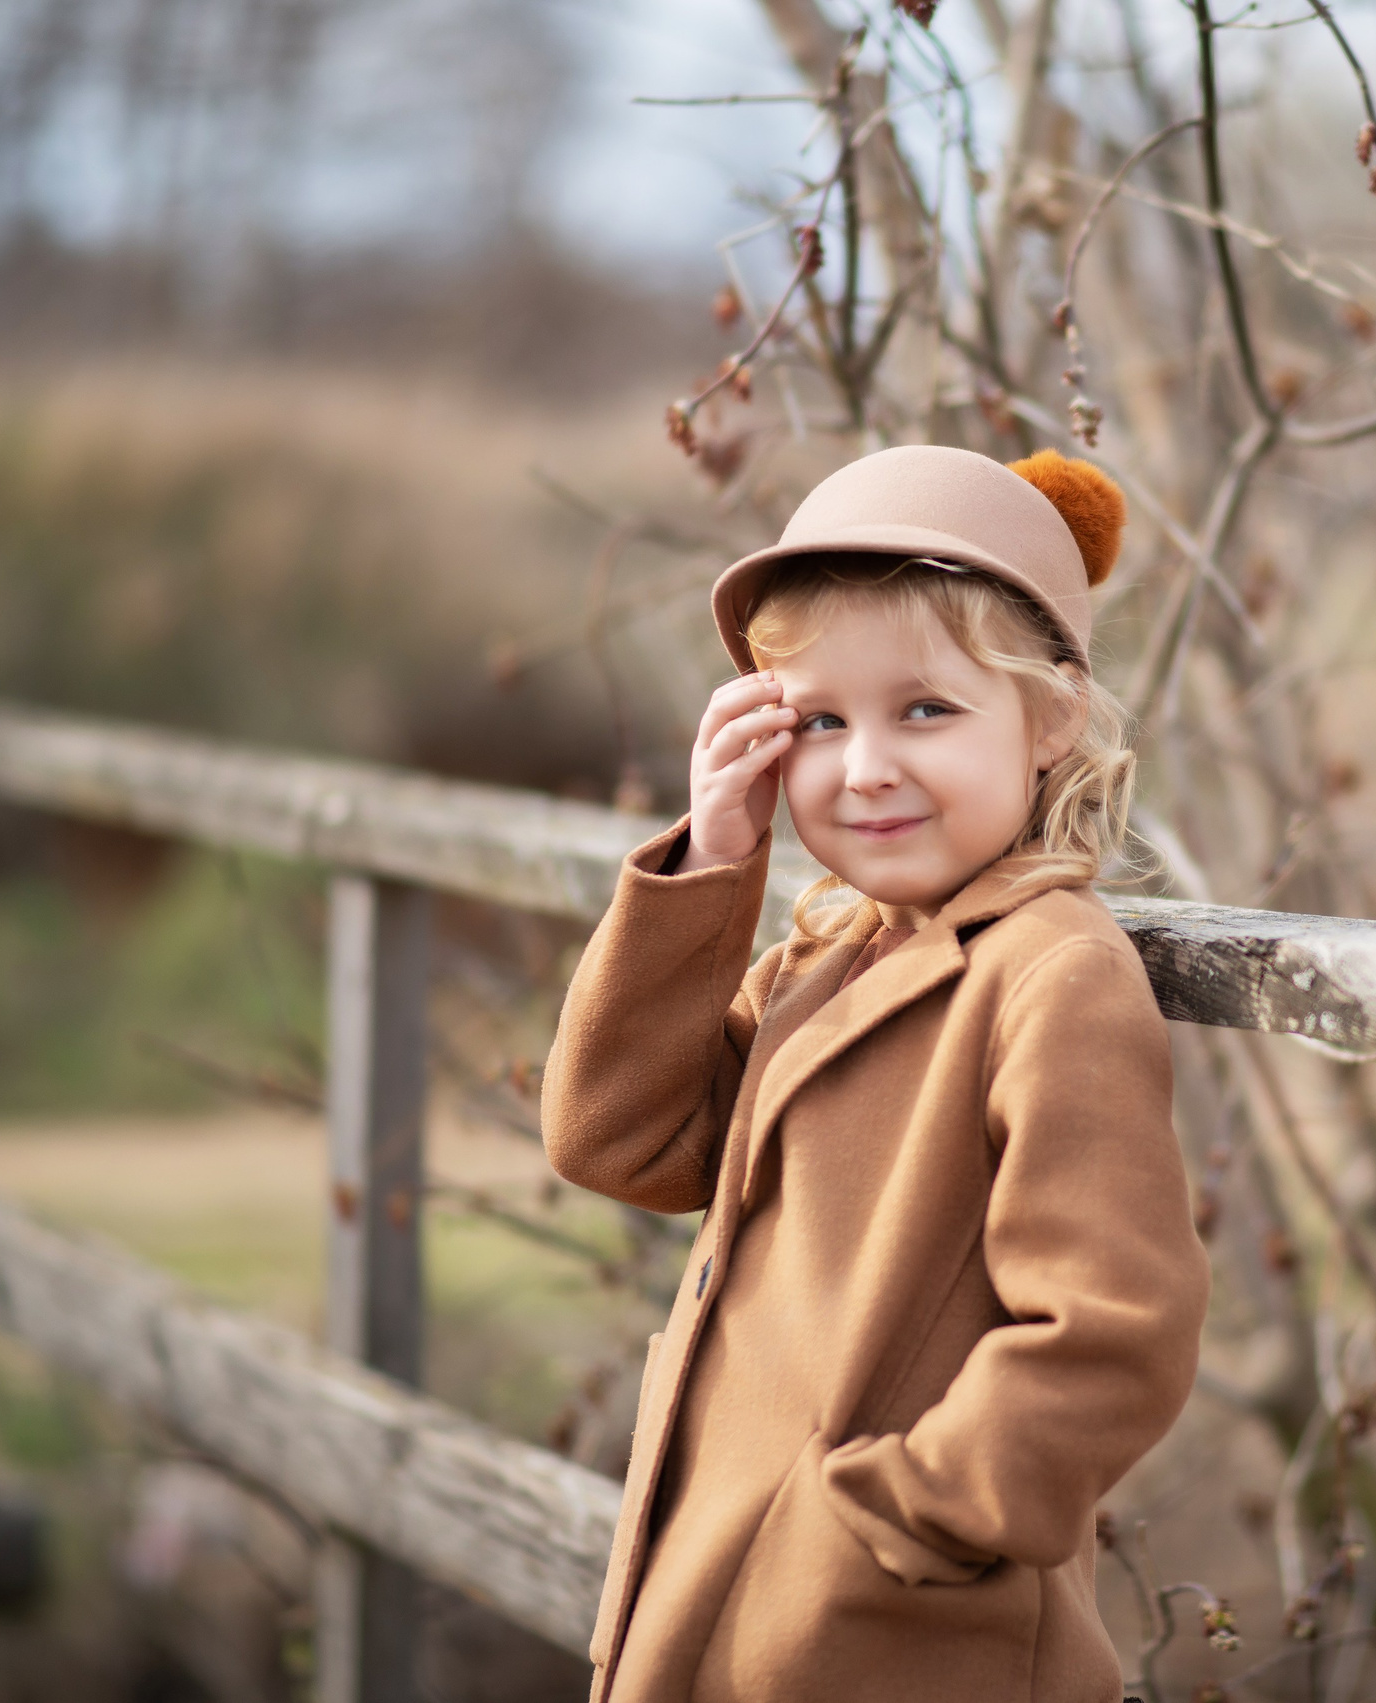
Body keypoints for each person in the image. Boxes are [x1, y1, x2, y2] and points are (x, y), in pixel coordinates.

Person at [542, 443, 1212, 1703]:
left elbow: (1112, 1335)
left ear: (1051, 717)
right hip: (709, 1607)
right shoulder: (827, 948)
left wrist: (893, 1522)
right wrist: (712, 862)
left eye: (927, 710)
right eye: (819, 722)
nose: (864, 768)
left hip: (890, 1641)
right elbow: (619, 1140)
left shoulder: (1049, 972)